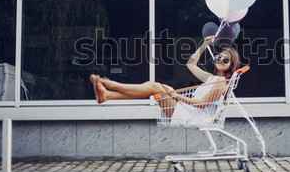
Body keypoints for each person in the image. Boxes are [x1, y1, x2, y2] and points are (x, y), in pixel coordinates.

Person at [89, 36, 241, 122]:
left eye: (226, 60)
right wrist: (204, 45)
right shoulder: (212, 78)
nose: (221, 60)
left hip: (193, 116)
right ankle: (107, 95)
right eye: (219, 56)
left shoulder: (221, 83)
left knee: (155, 87)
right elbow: (191, 64)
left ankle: (109, 84)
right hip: (187, 110)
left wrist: (175, 95)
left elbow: (202, 104)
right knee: (152, 85)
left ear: (231, 65)